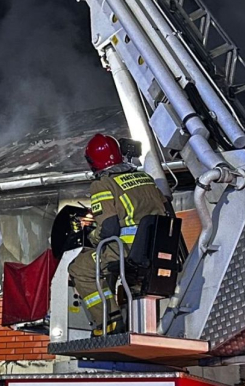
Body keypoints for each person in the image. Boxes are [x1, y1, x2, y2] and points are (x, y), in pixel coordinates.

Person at [69, 133, 171, 334]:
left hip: (125, 250)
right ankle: (138, 324)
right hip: (156, 250)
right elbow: (166, 207)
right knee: (116, 270)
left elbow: (109, 229)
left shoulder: (103, 184)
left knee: (81, 268)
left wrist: (91, 237)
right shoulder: (146, 178)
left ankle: (110, 321)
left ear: (93, 162)